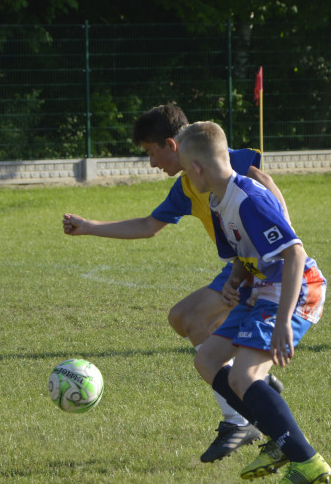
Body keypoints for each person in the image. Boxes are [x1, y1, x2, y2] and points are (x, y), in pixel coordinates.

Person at [63, 103, 287, 463]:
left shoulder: (214, 160)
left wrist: (281, 244)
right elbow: (149, 226)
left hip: (263, 269)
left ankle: (242, 416)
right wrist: (90, 227)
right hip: (240, 267)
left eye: (152, 153)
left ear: (172, 144)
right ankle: (255, 398)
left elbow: (265, 182)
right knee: (183, 318)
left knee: (193, 319)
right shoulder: (187, 184)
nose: (152, 163)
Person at [175, 121, 331, 484]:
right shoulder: (216, 200)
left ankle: (305, 460)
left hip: (295, 291)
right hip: (261, 289)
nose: (182, 175)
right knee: (208, 361)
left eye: (183, 167)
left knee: (243, 376)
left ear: (197, 168)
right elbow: (244, 256)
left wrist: (281, 324)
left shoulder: (248, 199)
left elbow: (294, 254)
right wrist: (235, 279)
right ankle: (281, 437)